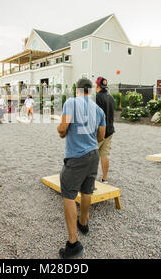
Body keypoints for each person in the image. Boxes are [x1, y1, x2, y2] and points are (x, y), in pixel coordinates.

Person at [56, 78, 106, 259]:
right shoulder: (98, 109)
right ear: (90, 91)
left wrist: (61, 131)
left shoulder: (71, 102)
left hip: (76, 156)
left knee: (68, 194)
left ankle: (73, 244)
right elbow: (101, 136)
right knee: (87, 190)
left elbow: (63, 128)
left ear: (77, 90)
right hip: (94, 155)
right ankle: (83, 223)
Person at [94, 77, 115, 184]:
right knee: (105, 155)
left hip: (100, 131)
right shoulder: (111, 97)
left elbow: (94, 116)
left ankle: (88, 180)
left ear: (96, 85)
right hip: (110, 130)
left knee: (90, 156)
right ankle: (105, 179)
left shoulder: (96, 98)